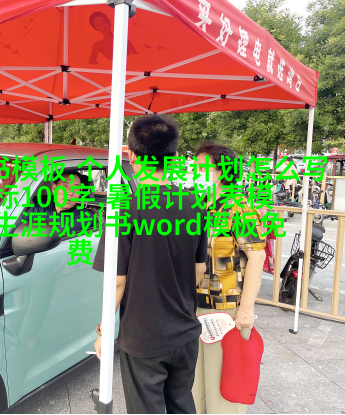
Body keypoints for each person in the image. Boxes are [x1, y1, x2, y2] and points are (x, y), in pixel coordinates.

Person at [92, 114, 208, 414]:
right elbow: (199, 269)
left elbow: (118, 282)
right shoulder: (195, 204)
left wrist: (103, 332)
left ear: (131, 156)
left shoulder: (124, 209)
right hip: (185, 331)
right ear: (174, 155)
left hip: (144, 337)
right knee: (182, 404)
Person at [191, 143, 267, 414]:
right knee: (196, 387)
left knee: (224, 390)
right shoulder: (201, 204)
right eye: (194, 167)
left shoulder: (239, 209)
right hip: (197, 305)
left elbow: (257, 257)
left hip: (227, 310)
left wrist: (246, 309)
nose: (195, 172)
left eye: (202, 167)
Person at [27, 171, 95, 233]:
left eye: (76, 188)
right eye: (65, 186)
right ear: (54, 188)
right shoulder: (38, 209)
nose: (70, 193)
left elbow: (65, 240)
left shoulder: (83, 216)